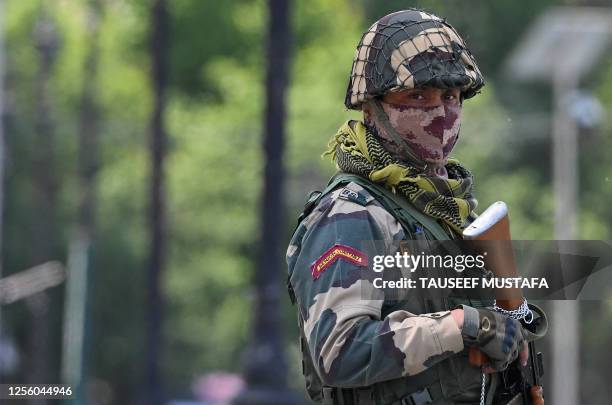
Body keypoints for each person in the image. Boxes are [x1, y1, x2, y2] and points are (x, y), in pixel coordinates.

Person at [286, 8, 546, 405]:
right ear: (372, 111)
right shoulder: (351, 215)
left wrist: (504, 327)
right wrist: (463, 325)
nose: (441, 114)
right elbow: (339, 351)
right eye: (417, 97)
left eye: (451, 96)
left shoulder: (446, 214)